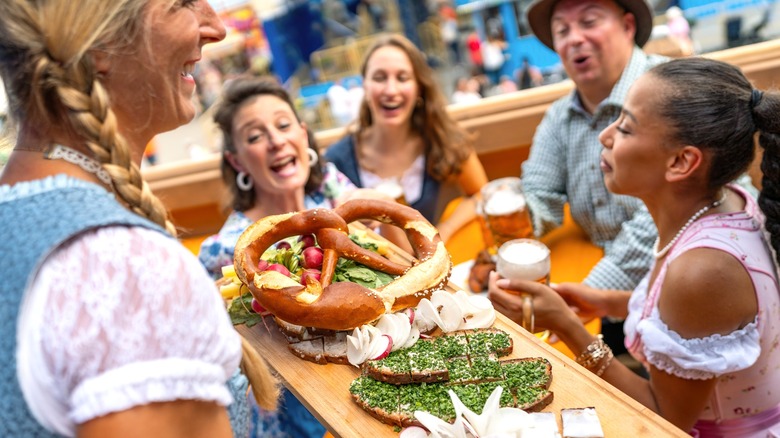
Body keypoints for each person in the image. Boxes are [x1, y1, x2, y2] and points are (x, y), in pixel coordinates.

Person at [0, 1, 278, 437]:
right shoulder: (120, 267)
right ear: (99, 45)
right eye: (182, 4)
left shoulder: (20, 214)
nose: (216, 27)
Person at [489, 56, 780, 436]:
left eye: (625, 128)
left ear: (681, 162)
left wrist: (569, 328)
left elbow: (666, 420)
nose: (604, 136)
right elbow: (702, 322)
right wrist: (607, 302)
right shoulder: (727, 200)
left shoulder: (702, 270)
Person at [198, 77, 403, 437]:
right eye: (255, 136)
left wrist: (385, 216)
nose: (276, 140)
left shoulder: (330, 188)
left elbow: (389, 258)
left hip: (374, 379)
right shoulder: (227, 250)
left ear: (303, 135)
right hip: (294, 413)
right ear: (237, 161)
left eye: (282, 125)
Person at [520, 0, 667, 355]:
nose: (575, 39)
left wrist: (588, 294)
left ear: (628, 26)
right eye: (562, 30)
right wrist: (514, 228)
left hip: (678, 287)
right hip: (605, 300)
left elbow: (667, 215)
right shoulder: (560, 116)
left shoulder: (671, 90)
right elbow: (540, 195)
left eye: (589, 21)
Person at [324, 34, 489, 244]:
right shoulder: (336, 160)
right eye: (379, 78)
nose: (391, 90)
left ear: (419, 87)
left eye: (402, 78)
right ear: (364, 86)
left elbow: (480, 193)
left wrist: (442, 232)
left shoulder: (440, 139)